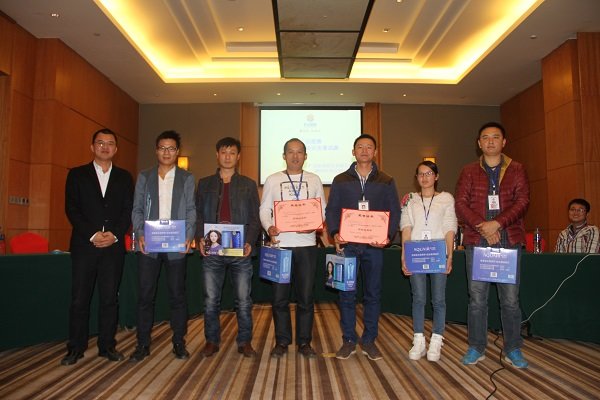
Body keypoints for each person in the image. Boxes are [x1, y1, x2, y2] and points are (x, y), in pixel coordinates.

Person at [455, 121, 530, 368]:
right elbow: (461, 204)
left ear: (504, 142)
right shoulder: (468, 171)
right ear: (479, 143)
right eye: (485, 137)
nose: (490, 141)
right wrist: (483, 227)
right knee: (477, 299)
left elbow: (522, 202)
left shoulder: (517, 169)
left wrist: (497, 223)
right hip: (478, 243)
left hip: (509, 241)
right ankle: (476, 347)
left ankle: (513, 348)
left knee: (510, 300)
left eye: (495, 137)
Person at [325, 133, 401, 361]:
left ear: (375, 152)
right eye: (360, 147)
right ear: (353, 151)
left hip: (374, 247)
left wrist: (387, 236)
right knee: (346, 294)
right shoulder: (340, 179)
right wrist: (334, 233)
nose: (365, 150)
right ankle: (348, 340)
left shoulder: (386, 180)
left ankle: (369, 340)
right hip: (348, 246)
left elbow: (394, 211)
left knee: (373, 294)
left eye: (369, 147)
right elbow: (332, 210)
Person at [62, 128, 134, 366]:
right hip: (85, 246)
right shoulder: (77, 174)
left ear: (116, 149)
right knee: (79, 299)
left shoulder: (124, 177)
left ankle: (107, 346)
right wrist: (93, 234)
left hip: (113, 248)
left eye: (110, 143)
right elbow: (72, 209)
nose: (105, 147)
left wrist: (115, 235)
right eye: (100, 143)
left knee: (109, 299)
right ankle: (75, 347)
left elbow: (128, 210)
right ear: (92, 147)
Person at [129, 130, 196, 362]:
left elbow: (191, 209)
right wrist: (140, 233)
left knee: (177, 295)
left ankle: (179, 342)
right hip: (150, 243)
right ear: (156, 150)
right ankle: (142, 344)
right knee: (145, 296)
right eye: (162, 148)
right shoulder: (144, 176)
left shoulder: (187, 178)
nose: (166, 152)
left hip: (176, 243)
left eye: (171, 148)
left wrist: (188, 235)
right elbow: (137, 208)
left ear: (177, 152)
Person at [259, 138, 327, 358]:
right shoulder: (273, 180)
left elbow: (323, 210)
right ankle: (282, 341)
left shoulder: (314, 179)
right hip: (281, 246)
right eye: (290, 152)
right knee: (279, 298)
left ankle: (304, 342)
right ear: (284, 156)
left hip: (307, 246)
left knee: (305, 297)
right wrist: (269, 227)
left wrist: (315, 224)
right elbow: (264, 209)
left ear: (305, 156)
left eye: (299, 152)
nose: (295, 156)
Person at [196, 137, 261, 358]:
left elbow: (255, 218)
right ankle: (211, 341)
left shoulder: (248, 184)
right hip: (212, 249)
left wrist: (249, 241)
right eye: (223, 152)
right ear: (217, 155)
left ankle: (245, 342)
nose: (227, 156)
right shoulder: (204, 184)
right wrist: (199, 238)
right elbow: (197, 215)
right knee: (210, 300)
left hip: (239, 250)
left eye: (232, 152)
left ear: (238, 156)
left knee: (243, 300)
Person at [400, 161, 457, 362]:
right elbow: (406, 227)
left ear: (436, 176)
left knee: (439, 300)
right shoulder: (409, 199)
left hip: (438, 253)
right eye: (421, 174)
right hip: (416, 253)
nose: (425, 178)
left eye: (429, 173)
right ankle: (418, 340)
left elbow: (449, 226)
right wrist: (404, 255)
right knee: (418, 298)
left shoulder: (446, 198)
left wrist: (450, 255)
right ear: (416, 178)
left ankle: (436, 339)